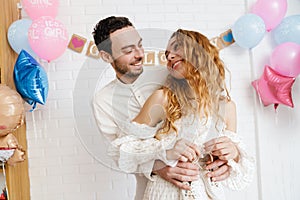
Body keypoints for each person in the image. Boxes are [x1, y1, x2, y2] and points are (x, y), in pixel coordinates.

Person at [92, 16, 240, 200]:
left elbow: (218, 127)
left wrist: (232, 158)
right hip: (158, 191)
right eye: (128, 50)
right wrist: (159, 165)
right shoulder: (103, 101)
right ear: (107, 56)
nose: (139, 54)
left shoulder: (172, 74)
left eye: (139, 45)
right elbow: (120, 154)